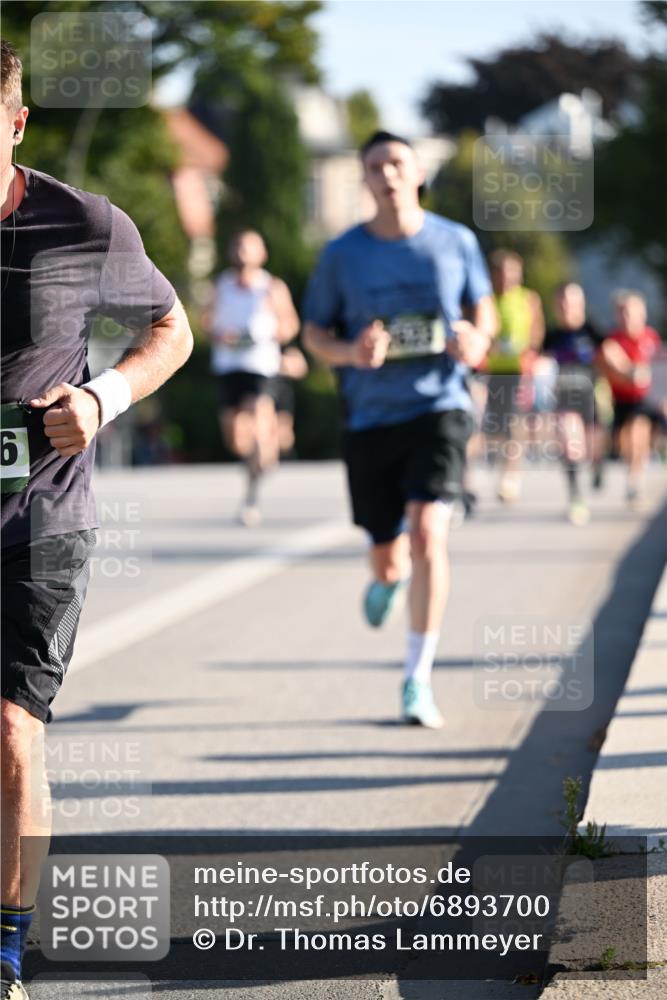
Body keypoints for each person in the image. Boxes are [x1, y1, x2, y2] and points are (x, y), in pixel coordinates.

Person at [0, 40, 193, 999]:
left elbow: (172, 326)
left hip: (41, 518)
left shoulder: (81, 224)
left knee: (10, 730)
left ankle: (5, 955)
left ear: (18, 121)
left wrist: (104, 398)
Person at [302, 130, 497, 728]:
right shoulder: (343, 254)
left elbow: (481, 309)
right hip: (369, 416)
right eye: (374, 166)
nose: (386, 174)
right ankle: (385, 579)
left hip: (439, 406)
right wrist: (351, 353)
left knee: (428, 536)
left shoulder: (454, 241)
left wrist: (477, 338)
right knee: (389, 557)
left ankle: (417, 678)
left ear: (416, 173)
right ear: (363, 180)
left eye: (396, 163)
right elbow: (314, 335)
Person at [205, 230, 300, 526]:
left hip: (261, 366)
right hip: (228, 366)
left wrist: (268, 333)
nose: (243, 252)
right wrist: (222, 335)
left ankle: (252, 494)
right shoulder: (220, 286)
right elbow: (206, 323)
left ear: (262, 254)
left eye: (249, 247)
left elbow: (290, 326)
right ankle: (258, 462)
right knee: (235, 439)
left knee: (259, 422)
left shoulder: (272, 287)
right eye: (238, 246)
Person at [543, 283, 607, 525]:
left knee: (592, 450)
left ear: (581, 304)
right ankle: (575, 498)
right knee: (570, 447)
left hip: (592, 397)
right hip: (565, 399)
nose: (567, 308)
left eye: (571, 303)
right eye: (562, 304)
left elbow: (611, 355)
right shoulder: (552, 337)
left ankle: (599, 464)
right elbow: (539, 362)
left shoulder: (592, 331)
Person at [484, 250, 544, 501]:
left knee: (513, 422)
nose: (507, 278)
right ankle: (501, 464)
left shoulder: (528, 298)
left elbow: (537, 330)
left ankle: (510, 476)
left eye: (512, 273)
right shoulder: (485, 299)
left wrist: (531, 352)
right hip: (489, 369)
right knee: (494, 425)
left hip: (518, 370)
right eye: (502, 273)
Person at [600, 290, 663, 507]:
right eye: (622, 313)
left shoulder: (651, 338)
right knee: (622, 442)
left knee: (639, 432)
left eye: (631, 312)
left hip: (644, 400)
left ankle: (634, 481)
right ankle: (622, 467)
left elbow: (656, 371)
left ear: (642, 313)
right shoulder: (613, 340)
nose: (627, 317)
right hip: (621, 400)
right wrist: (631, 372)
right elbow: (617, 367)